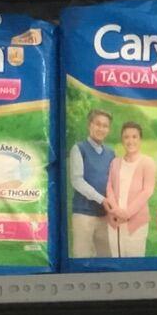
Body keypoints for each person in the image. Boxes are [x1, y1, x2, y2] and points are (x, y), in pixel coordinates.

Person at [67, 109, 115, 261]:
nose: (101, 129)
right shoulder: (79, 148)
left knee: (105, 258)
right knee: (82, 257)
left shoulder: (111, 153)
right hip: (84, 214)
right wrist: (101, 199)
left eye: (105, 126)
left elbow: (114, 181)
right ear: (90, 125)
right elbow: (77, 180)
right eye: (97, 124)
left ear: (109, 129)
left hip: (105, 215)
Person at [102, 121, 155, 258]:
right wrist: (115, 210)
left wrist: (126, 213)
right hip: (115, 221)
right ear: (122, 140)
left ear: (140, 139)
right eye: (126, 137)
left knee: (134, 260)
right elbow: (109, 187)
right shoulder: (115, 162)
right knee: (116, 258)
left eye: (134, 137)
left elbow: (147, 191)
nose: (130, 141)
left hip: (136, 222)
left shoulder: (147, 162)